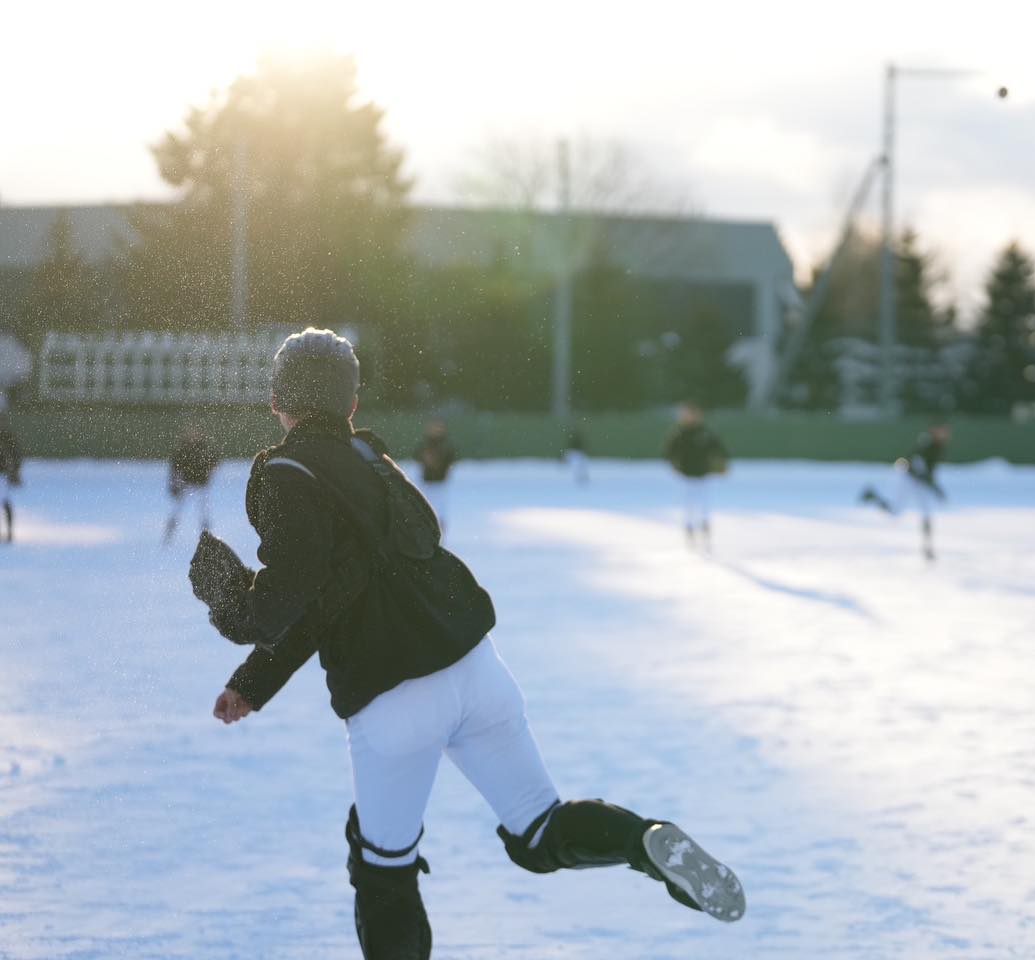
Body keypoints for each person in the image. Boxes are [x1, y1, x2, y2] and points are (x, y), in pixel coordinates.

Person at [187, 329, 743, 959]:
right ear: (352, 405)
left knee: (384, 869)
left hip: (393, 699)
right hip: (477, 673)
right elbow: (345, 584)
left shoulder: (284, 472)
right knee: (539, 829)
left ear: (276, 401)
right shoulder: (375, 462)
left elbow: (282, 605)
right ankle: (645, 843)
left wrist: (221, 590)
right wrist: (255, 681)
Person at [860, 422, 950, 561]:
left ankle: (928, 548)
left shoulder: (938, 446)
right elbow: (914, 463)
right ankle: (872, 495)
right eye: (940, 430)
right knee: (895, 511)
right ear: (933, 430)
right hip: (906, 477)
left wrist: (934, 487)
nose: (943, 433)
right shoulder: (927, 444)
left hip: (919, 480)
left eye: (945, 431)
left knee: (926, 511)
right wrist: (933, 486)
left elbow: (928, 472)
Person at [662, 402, 729, 551]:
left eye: (694, 413)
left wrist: (722, 463)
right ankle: (690, 533)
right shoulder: (679, 432)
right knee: (689, 507)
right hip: (685, 476)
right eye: (688, 413)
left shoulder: (705, 432)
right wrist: (674, 465)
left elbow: (719, 449)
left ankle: (705, 534)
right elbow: (668, 452)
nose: (691, 417)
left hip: (703, 474)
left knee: (704, 506)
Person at [163, 425, 219, 544]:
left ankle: (207, 539)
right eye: (192, 433)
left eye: (197, 433)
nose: (194, 436)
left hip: (201, 485)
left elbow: (214, 463)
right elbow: (174, 468)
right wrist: (174, 484)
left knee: (204, 513)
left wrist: (208, 473)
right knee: (177, 511)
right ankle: (169, 535)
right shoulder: (183, 449)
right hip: (186, 485)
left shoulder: (204, 449)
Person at [412, 420, 458, 529]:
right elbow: (416, 456)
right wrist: (425, 459)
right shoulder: (425, 444)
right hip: (426, 482)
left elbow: (451, 459)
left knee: (439, 510)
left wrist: (438, 462)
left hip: (440, 483)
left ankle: (439, 531)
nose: (436, 430)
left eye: (438, 428)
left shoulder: (446, 445)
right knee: (424, 508)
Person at [0, 411, 21, 544]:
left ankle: (9, 532)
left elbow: (16, 455)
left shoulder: (8, 437)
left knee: (5, 502)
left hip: (3, 475)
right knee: (5, 502)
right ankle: (8, 532)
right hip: (4, 474)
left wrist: (14, 472)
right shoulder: (9, 437)